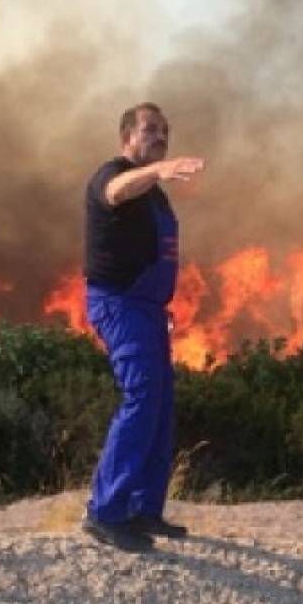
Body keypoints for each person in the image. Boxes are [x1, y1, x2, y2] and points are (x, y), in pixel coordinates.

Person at [81, 102, 205, 552]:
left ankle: (143, 509)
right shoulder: (111, 174)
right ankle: (105, 513)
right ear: (126, 137)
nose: (160, 138)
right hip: (119, 304)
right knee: (141, 396)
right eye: (150, 130)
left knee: (160, 404)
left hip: (149, 309)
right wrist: (161, 169)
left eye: (165, 132)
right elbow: (115, 191)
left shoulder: (155, 194)